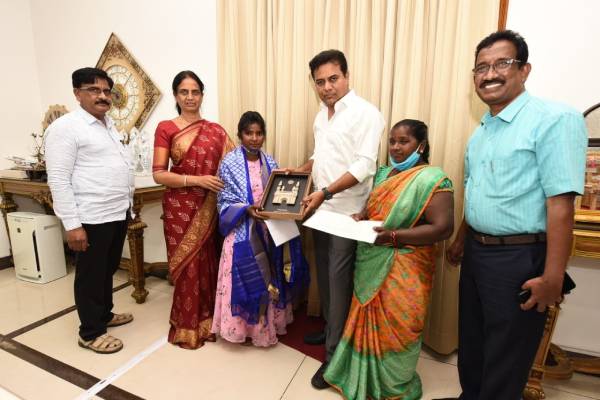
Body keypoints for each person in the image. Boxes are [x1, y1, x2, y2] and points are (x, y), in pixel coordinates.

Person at [442, 30, 588, 400]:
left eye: (502, 64)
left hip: (518, 258)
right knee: (473, 346)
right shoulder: (482, 132)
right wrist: (461, 240)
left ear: (524, 70)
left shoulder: (555, 119)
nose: (490, 74)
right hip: (477, 253)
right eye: (481, 67)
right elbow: (478, 191)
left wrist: (553, 277)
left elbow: (561, 206)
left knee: (505, 359)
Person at [324, 119, 454, 399]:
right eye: (392, 141)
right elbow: (375, 209)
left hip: (407, 266)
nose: (395, 147)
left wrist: (394, 237)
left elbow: (443, 228)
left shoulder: (434, 179)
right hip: (371, 258)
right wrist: (362, 214)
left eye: (404, 141)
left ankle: (394, 385)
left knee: (401, 327)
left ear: (421, 146)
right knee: (366, 320)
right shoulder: (384, 174)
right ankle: (359, 377)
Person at [293, 49, 385, 389]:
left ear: (346, 76)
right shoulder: (321, 116)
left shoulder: (367, 113)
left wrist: (325, 192)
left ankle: (334, 360)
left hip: (347, 213)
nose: (327, 87)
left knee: (339, 281)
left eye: (333, 79)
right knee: (327, 280)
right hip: (321, 211)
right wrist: (296, 174)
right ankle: (332, 331)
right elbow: (319, 158)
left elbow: (364, 166)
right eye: (320, 82)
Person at [45, 67, 134, 354]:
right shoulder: (65, 128)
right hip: (91, 216)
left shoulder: (108, 125)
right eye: (94, 90)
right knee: (91, 275)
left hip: (116, 211)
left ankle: (104, 314)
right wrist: (72, 225)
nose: (102, 96)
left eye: (106, 91)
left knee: (107, 269)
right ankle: (90, 332)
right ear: (77, 93)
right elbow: (58, 179)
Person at [211, 111, 309, 346]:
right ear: (240, 135)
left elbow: (277, 194)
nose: (254, 138)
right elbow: (223, 200)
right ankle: (241, 329)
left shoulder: (270, 162)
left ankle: (263, 328)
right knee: (245, 278)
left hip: (268, 230)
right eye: (249, 133)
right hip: (241, 232)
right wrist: (246, 209)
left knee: (268, 275)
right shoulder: (229, 163)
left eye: (259, 133)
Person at [152, 70, 234, 349]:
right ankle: (186, 326)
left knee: (209, 262)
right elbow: (159, 174)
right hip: (179, 208)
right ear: (176, 96)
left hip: (210, 206)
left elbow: (235, 165)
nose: (190, 97)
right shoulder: (166, 128)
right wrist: (197, 180)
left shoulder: (216, 131)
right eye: (184, 92)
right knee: (188, 267)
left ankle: (210, 321)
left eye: (195, 92)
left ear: (202, 95)